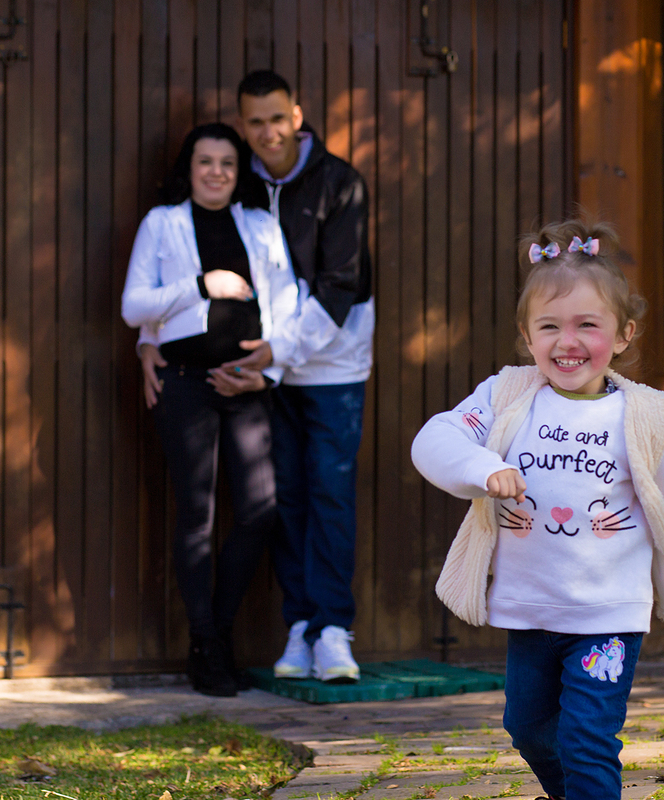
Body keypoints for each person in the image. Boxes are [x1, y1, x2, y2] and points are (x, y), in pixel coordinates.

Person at [410, 219, 664, 798]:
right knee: (528, 728)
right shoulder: (507, 395)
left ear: (624, 333)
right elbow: (433, 441)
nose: (568, 341)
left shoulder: (647, 417)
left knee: (587, 739)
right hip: (529, 612)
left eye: (588, 325)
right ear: (526, 335)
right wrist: (483, 469)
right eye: (550, 326)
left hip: (607, 618)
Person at [121, 123, 298, 697]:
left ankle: (218, 632)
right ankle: (205, 646)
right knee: (195, 513)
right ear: (189, 167)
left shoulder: (262, 225)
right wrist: (202, 284)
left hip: (247, 386)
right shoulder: (163, 222)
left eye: (227, 162)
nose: (217, 171)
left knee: (259, 510)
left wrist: (264, 372)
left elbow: (286, 304)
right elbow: (133, 306)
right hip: (185, 384)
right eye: (205, 161)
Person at [219, 70, 374, 683]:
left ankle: (335, 628)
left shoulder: (341, 183)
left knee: (330, 493)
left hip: (332, 367)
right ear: (243, 125)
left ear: (297, 115)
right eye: (254, 123)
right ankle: (300, 626)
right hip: (269, 369)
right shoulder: (241, 184)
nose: (267, 134)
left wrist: (277, 354)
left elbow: (339, 290)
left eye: (276, 120)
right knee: (287, 499)